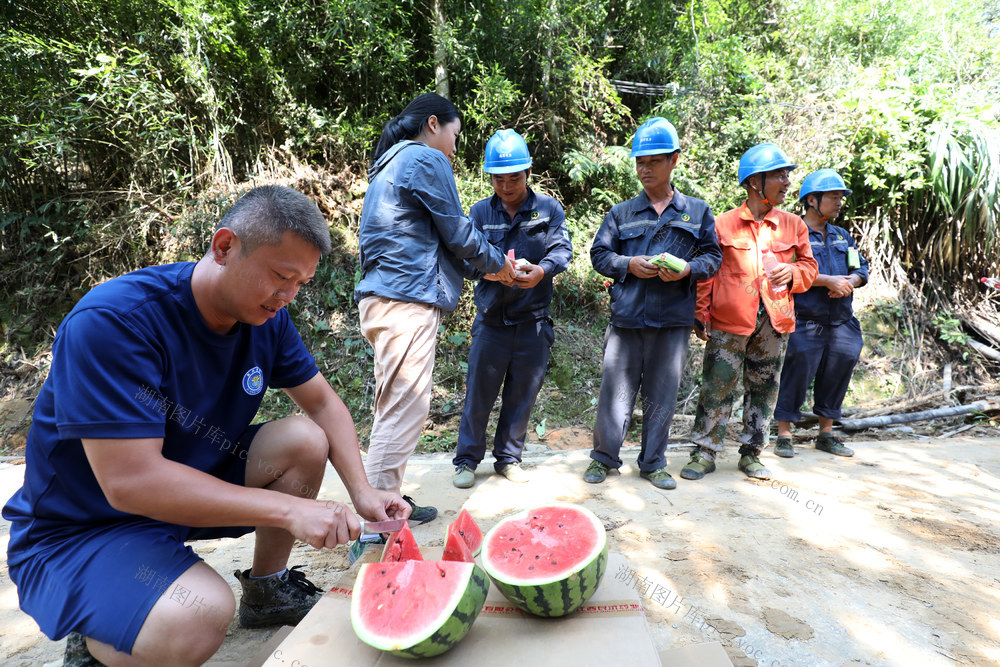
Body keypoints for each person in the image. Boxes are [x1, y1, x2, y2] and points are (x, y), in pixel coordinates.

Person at [2, 185, 410, 666]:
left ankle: (267, 590)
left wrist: (360, 490)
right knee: (198, 615)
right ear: (224, 247)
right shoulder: (115, 323)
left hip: (179, 501)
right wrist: (289, 511)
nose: (288, 296)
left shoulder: (267, 318)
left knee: (304, 440)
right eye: (280, 276)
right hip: (84, 531)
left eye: (301, 283)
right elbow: (131, 482)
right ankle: (98, 630)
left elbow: (322, 403)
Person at [355, 94, 516, 518]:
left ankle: (388, 498)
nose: (455, 146)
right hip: (405, 301)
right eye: (455, 134)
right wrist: (502, 265)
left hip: (382, 299)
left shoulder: (389, 162)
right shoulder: (425, 160)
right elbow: (460, 233)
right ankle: (377, 522)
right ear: (433, 124)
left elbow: (441, 243)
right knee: (405, 409)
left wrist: (490, 269)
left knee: (394, 406)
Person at [584, 118, 722, 490]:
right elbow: (598, 255)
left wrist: (687, 270)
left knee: (662, 394)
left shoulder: (696, 211)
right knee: (616, 393)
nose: (644, 170)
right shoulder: (622, 213)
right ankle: (604, 459)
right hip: (627, 319)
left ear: (674, 160)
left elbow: (713, 257)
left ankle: (653, 463)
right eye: (640, 163)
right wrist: (627, 264)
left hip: (673, 322)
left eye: (653, 162)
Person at [681, 143, 818, 481]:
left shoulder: (793, 225)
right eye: (779, 176)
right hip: (729, 321)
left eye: (787, 175)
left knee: (764, 388)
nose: (787, 182)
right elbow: (707, 273)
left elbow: (810, 267)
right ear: (755, 181)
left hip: (775, 322)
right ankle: (704, 452)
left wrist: (794, 274)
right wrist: (701, 314)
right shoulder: (723, 224)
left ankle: (752, 452)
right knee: (717, 385)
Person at [451, 129, 572, 489]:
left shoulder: (548, 209)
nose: (506, 186)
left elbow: (562, 251)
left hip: (532, 323)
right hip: (491, 322)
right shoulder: (479, 213)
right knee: (478, 394)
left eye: (514, 178)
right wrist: (493, 271)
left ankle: (508, 458)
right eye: (498, 179)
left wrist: (541, 271)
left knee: (522, 395)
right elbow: (465, 261)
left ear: (528, 173)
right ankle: (467, 461)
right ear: (489, 178)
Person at [774, 169, 868, 458]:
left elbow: (860, 269)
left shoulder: (842, 236)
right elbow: (783, 271)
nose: (839, 202)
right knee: (797, 371)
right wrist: (828, 281)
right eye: (834, 197)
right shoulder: (793, 233)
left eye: (841, 197)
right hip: (805, 318)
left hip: (841, 320)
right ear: (812, 200)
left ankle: (826, 433)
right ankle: (784, 434)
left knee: (839, 369)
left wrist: (850, 282)